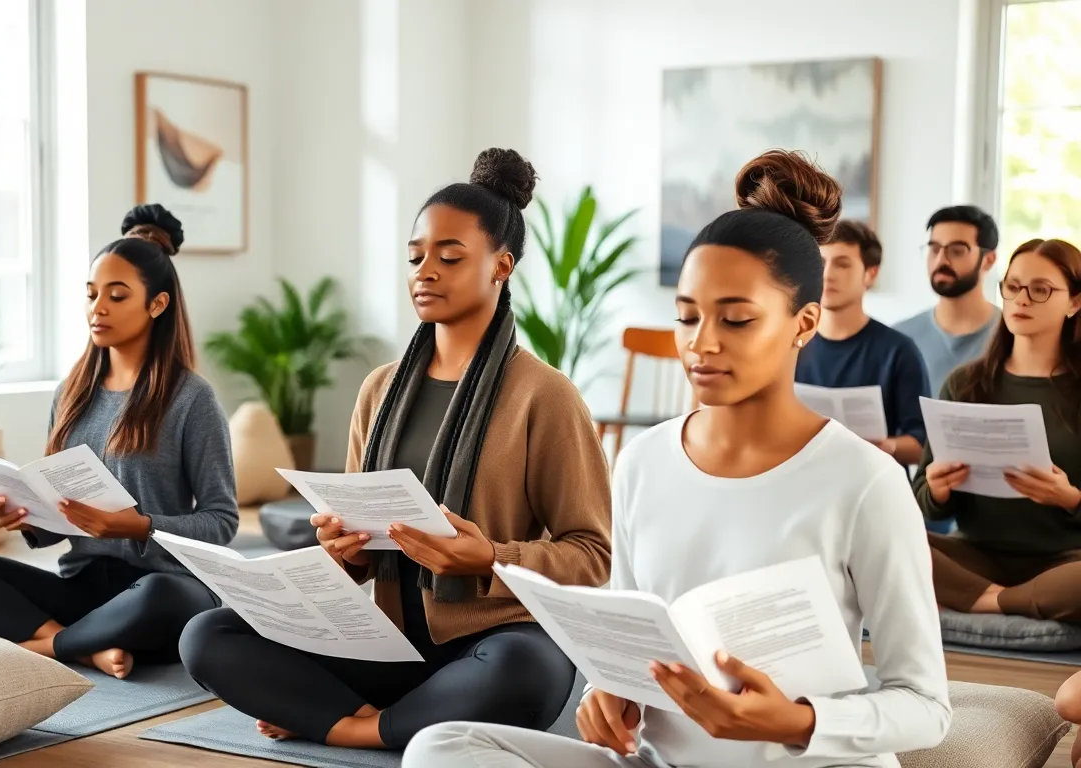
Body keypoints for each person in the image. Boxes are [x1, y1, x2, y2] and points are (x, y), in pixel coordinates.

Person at [404, 151, 950, 768]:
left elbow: (926, 706)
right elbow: (631, 643)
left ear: (804, 324)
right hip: (661, 763)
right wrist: (606, 690)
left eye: (737, 319)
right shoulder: (643, 461)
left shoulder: (865, 482)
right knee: (442, 746)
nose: (702, 343)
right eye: (687, 317)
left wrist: (799, 721)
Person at [180, 148, 613, 750]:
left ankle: (343, 724)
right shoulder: (378, 389)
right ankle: (392, 724)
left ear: (501, 266)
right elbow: (361, 542)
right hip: (388, 642)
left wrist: (486, 557)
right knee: (207, 635)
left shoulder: (546, 396)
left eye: (450, 256)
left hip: (494, 640)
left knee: (530, 675)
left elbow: (591, 557)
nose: (424, 271)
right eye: (415, 257)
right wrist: (343, 549)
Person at [0, 215, 238, 680]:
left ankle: (48, 645)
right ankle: (86, 647)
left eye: (117, 295)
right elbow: (60, 514)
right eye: (91, 294)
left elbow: (222, 522)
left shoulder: (192, 399)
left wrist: (138, 526)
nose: (97, 308)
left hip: (161, 589)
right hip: (83, 586)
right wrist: (24, 515)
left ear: (158, 304)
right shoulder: (72, 390)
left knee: (161, 596)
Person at [917, 238, 1081, 623]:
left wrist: (1070, 498)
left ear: (1074, 302)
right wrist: (938, 490)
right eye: (1012, 286)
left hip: (1066, 560)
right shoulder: (966, 384)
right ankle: (1006, 599)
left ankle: (985, 602)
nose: (1021, 299)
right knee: (876, 541)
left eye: (1040, 290)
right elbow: (922, 499)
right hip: (975, 557)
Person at [796, 220, 930, 467]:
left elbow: (922, 445)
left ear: (871, 274)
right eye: (821, 263)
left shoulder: (898, 351)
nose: (828, 274)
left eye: (843, 264)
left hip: (873, 481)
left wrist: (888, 446)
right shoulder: (793, 344)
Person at [893, 205, 1000, 397]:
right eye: (934, 249)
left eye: (957, 251)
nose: (941, 260)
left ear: (989, 260)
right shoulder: (899, 338)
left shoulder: (1012, 335)